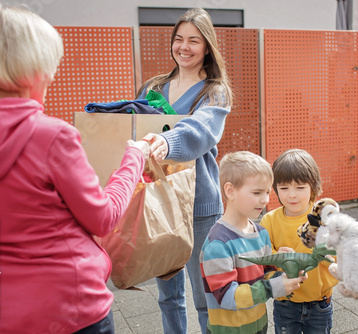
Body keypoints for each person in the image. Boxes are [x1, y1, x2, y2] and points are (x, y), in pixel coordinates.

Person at [0, 5, 151, 334]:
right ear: (35, 70)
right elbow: (101, 217)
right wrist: (135, 156)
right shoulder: (49, 136)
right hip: (68, 308)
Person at [136, 8, 233, 334]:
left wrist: (166, 142)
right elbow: (135, 124)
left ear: (207, 46)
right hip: (158, 203)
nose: (185, 47)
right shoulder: (154, 87)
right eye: (179, 39)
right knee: (168, 294)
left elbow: (201, 130)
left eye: (194, 40)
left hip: (199, 206)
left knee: (208, 294)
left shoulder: (215, 91)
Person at [200, 151, 307, 334]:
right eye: (257, 192)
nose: (265, 199)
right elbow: (228, 297)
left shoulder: (261, 233)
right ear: (230, 191)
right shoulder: (218, 244)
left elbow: (264, 273)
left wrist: (283, 273)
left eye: (267, 192)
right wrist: (273, 287)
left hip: (258, 325)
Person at [260, 149, 338, 334]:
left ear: (313, 186)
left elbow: (340, 255)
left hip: (320, 302)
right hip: (285, 303)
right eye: (284, 188)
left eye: (300, 187)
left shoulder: (324, 217)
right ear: (275, 188)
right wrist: (276, 257)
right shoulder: (268, 221)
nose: (292, 195)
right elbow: (262, 260)